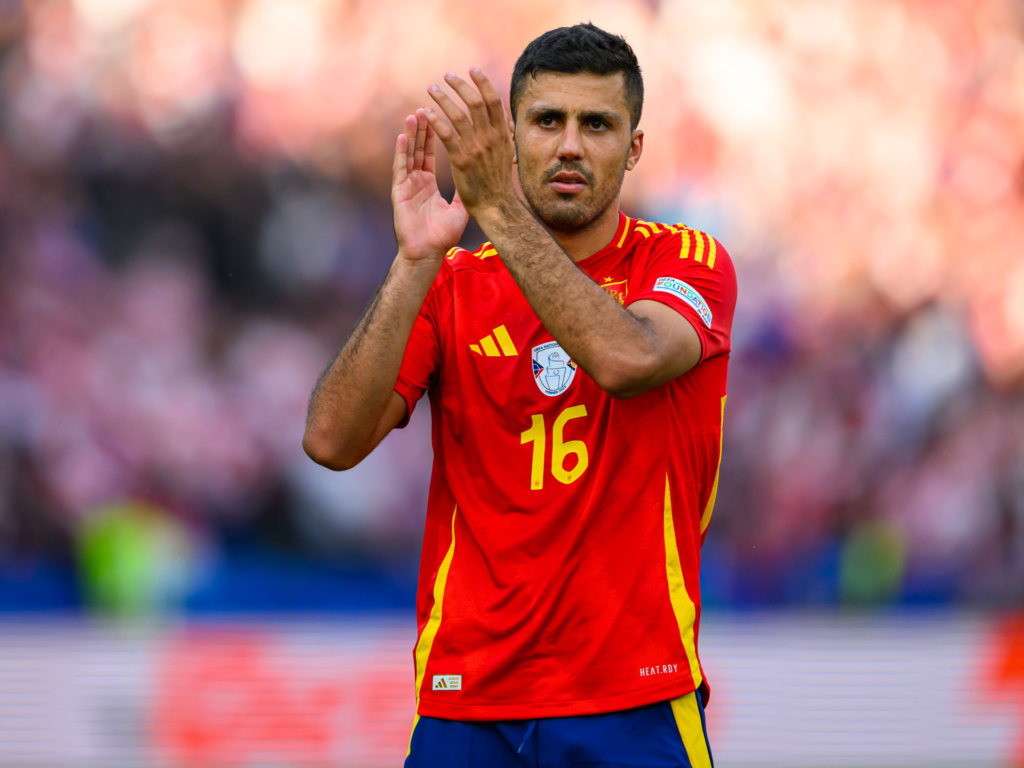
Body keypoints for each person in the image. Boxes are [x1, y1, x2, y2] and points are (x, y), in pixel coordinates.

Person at [303, 23, 736, 768]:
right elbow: (331, 442)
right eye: (546, 121)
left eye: (596, 124)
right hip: (467, 702)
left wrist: (497, 209)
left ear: (633, 148)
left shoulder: (684, 259)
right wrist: (415, 260)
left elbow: (626, 356)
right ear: (513, 138)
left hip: (633, 697)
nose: (569, 145)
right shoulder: (452, 284)